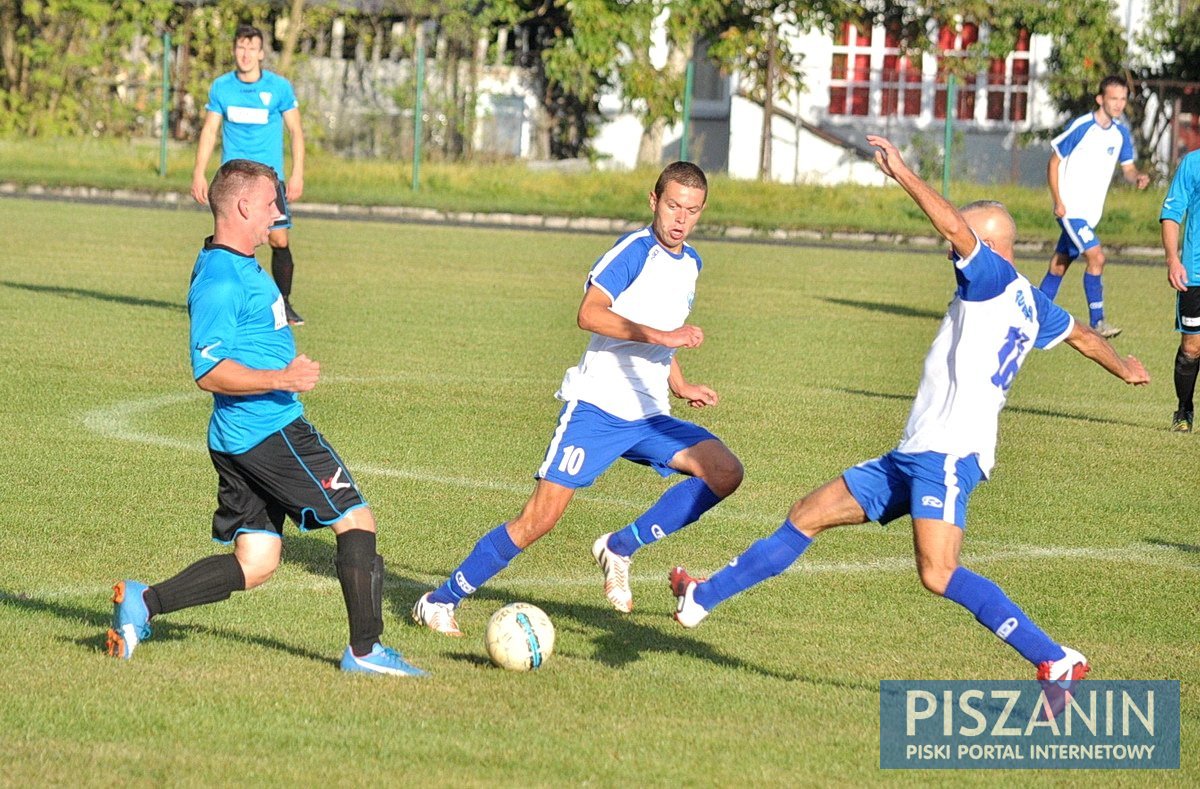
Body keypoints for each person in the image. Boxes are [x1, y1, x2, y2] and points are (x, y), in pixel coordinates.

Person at [669, 135, 1148, 686]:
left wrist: (902, 173)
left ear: (990, 246)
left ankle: (1056, 658)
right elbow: (1085, 337)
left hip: (947, 453)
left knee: (938, 572)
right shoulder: (1031, 300)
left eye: (964, 243)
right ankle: (702, 598)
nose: (951, 251)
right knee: (807, 513)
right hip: (915, 453)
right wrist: (1126, 368)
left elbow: (952, 227)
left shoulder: (990, 276)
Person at [107, 159, 424, 677]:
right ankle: (366, 651)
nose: (279, 213)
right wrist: (282, 379)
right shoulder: (221, 282)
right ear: (243, 206)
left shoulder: (234, 260)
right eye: (272, 203)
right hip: (269, 430)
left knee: (257, 563)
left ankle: (143, 604)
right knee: (355, 519)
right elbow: (208, 370)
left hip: (240, 435)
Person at [411, 161, 744, 636]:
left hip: (649, 415)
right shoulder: (633, 251)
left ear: (702, 212)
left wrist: (679, 383)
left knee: (725, 471)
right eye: (672, 206)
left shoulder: (691, 263)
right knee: (539, 519)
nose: (680, 219)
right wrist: (662, 335)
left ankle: (620, 547)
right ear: (654, 201)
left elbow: (660, 326)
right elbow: (590, 314)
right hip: (597, 408)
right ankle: (440, 601)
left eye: (691, 211)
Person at [191, 24, 307, 327]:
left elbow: (296, 131)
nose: (245, 54)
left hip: (270, 180)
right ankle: (210, 295)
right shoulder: (222, 88)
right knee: (227, 240)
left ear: (261, 52)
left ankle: (283, 304)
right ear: (234, 50)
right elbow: (209, 131)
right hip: (234, 182)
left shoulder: (278, 88)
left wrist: (297, 174)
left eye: (251, 48)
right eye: (240, 48)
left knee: (278, 240)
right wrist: (198, 173)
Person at [1038, 75, 1151, 338]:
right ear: (1100, 99)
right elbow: (1054, 162)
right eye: (1114, 98)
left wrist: (1138, 177)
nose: (1119, 104)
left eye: (1123, 99)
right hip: (1071, 210)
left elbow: (1128, 168)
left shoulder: (1121, 132)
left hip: (1091, 215)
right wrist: (1058, 201)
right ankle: (1098, 322)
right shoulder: (1082, 126)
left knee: (1059, 265)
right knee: (1097, 257)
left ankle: (1033, 316)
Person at [1161, 147, 1200, 432]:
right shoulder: (1192, 163)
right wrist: (1173, 259)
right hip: (1194, 274)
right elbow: (1172, 214)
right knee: (1192, 348)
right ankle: (1184, 410)